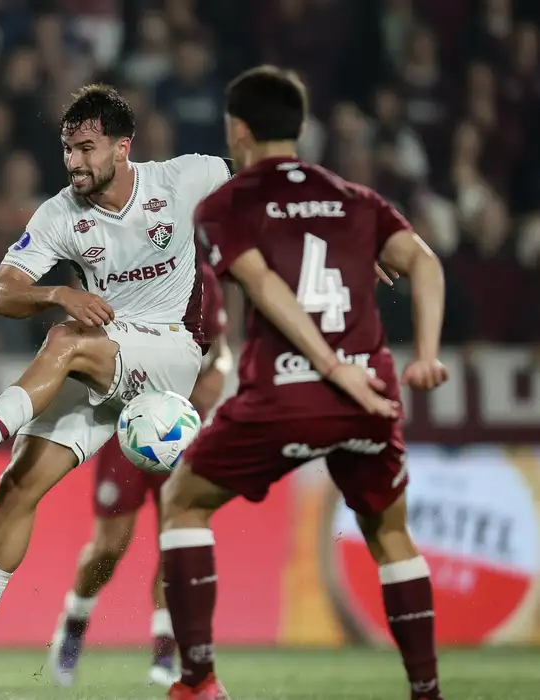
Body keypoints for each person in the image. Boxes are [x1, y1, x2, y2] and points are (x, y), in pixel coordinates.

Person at [0, 84, 232, 675]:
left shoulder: (181, 179)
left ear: (123, 147)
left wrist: (344, 237)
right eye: (67, 149)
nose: (74, 161)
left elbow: (270, 178)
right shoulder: (58, 214)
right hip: (105, 355)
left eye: (87, 148)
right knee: (18, 486)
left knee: (64, 339)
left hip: (172, 351)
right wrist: (54, 291)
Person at [158, 66, 449, 700]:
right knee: (390, 534)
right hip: (371, 394)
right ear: (302, 127)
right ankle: (427, 692)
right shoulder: (355, 198)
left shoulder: (226, 203)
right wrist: (424, 353)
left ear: (238, 130)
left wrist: (328, 363)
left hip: (286, 394)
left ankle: (198, 681)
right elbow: (425, 264)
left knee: (183, 500)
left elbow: (263, 283)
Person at [47, 261, 230, 688]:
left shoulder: (202, 277)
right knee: (110, 545)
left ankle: (165, 651)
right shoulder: (121, 266)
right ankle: (74, 623)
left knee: (176, 536)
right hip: (126, 422)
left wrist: (216, 377)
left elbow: (221, 349)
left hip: (183, 425)